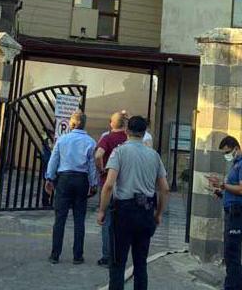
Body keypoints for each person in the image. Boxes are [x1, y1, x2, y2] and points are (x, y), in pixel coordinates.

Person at [98, 115, 168, 290]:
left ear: (127, 131)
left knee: (118, 263)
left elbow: (108, 185)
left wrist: (101, 211)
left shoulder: (119, 152)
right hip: (146, 212)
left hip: (124, 212)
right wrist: (158, 214)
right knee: (140, 263)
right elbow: (164, 188)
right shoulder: (154, 155)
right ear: (144, 132)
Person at [44, 110, 99, 264]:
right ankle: (78, 255)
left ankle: (55, 254)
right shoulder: (90, 142)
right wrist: (94, 184)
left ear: (73, 123)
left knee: (60, 218)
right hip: (81, 180)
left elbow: (54, 160)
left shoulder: (62, 140)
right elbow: (92, 166)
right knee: (79, 219)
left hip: (64, 179)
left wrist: (49, 178)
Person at [205, 135, 242, 290]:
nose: (225, 155)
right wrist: (221, 192)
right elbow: (233, 191)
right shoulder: (235, 165)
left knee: (231, 253)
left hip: (239, 214)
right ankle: (235, 286)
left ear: (236, 148)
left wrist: (223, 185)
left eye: (227, 152)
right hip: (233, 212)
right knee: (230, 253)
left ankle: (234, 287)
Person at [95, 111, 130, 266]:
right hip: (126, 185)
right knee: (122, 223)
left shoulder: (107, 138)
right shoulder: (128, 139)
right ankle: (119, 255)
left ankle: (107, 256)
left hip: (108, 184)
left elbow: (98, 155)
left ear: (111, 123)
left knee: (107, 222)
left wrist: (101, 169)